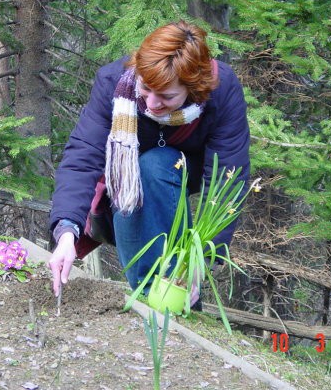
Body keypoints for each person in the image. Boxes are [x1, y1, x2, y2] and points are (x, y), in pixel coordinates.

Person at [47, 20, 250, 301]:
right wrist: (67, 232)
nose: (152, 103)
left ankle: (178, 294)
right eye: (146, 90)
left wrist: (199, 260)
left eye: (166, 96)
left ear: (193, 87)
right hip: (125, 181)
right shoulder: (114, 83)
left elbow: (227, 177)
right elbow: (83, 156)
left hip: (180, 170)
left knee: (156, 163)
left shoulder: (221, 90)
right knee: (146, 168)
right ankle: (148, 297)